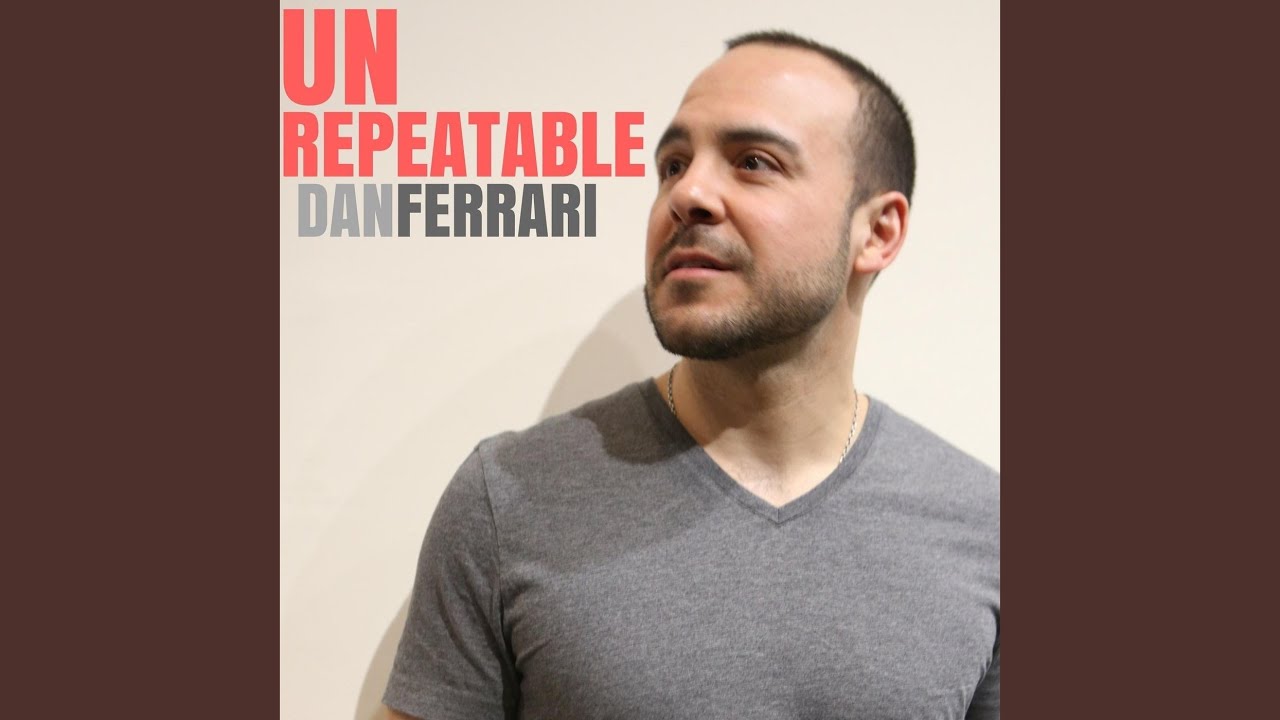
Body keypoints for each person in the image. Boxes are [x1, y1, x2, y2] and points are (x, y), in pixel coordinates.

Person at [383, 30, 998, 720]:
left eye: (754, 162)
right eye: (673, 165)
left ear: (877, 232)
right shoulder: (508, 499)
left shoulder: (987, 530)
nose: (689, 193)